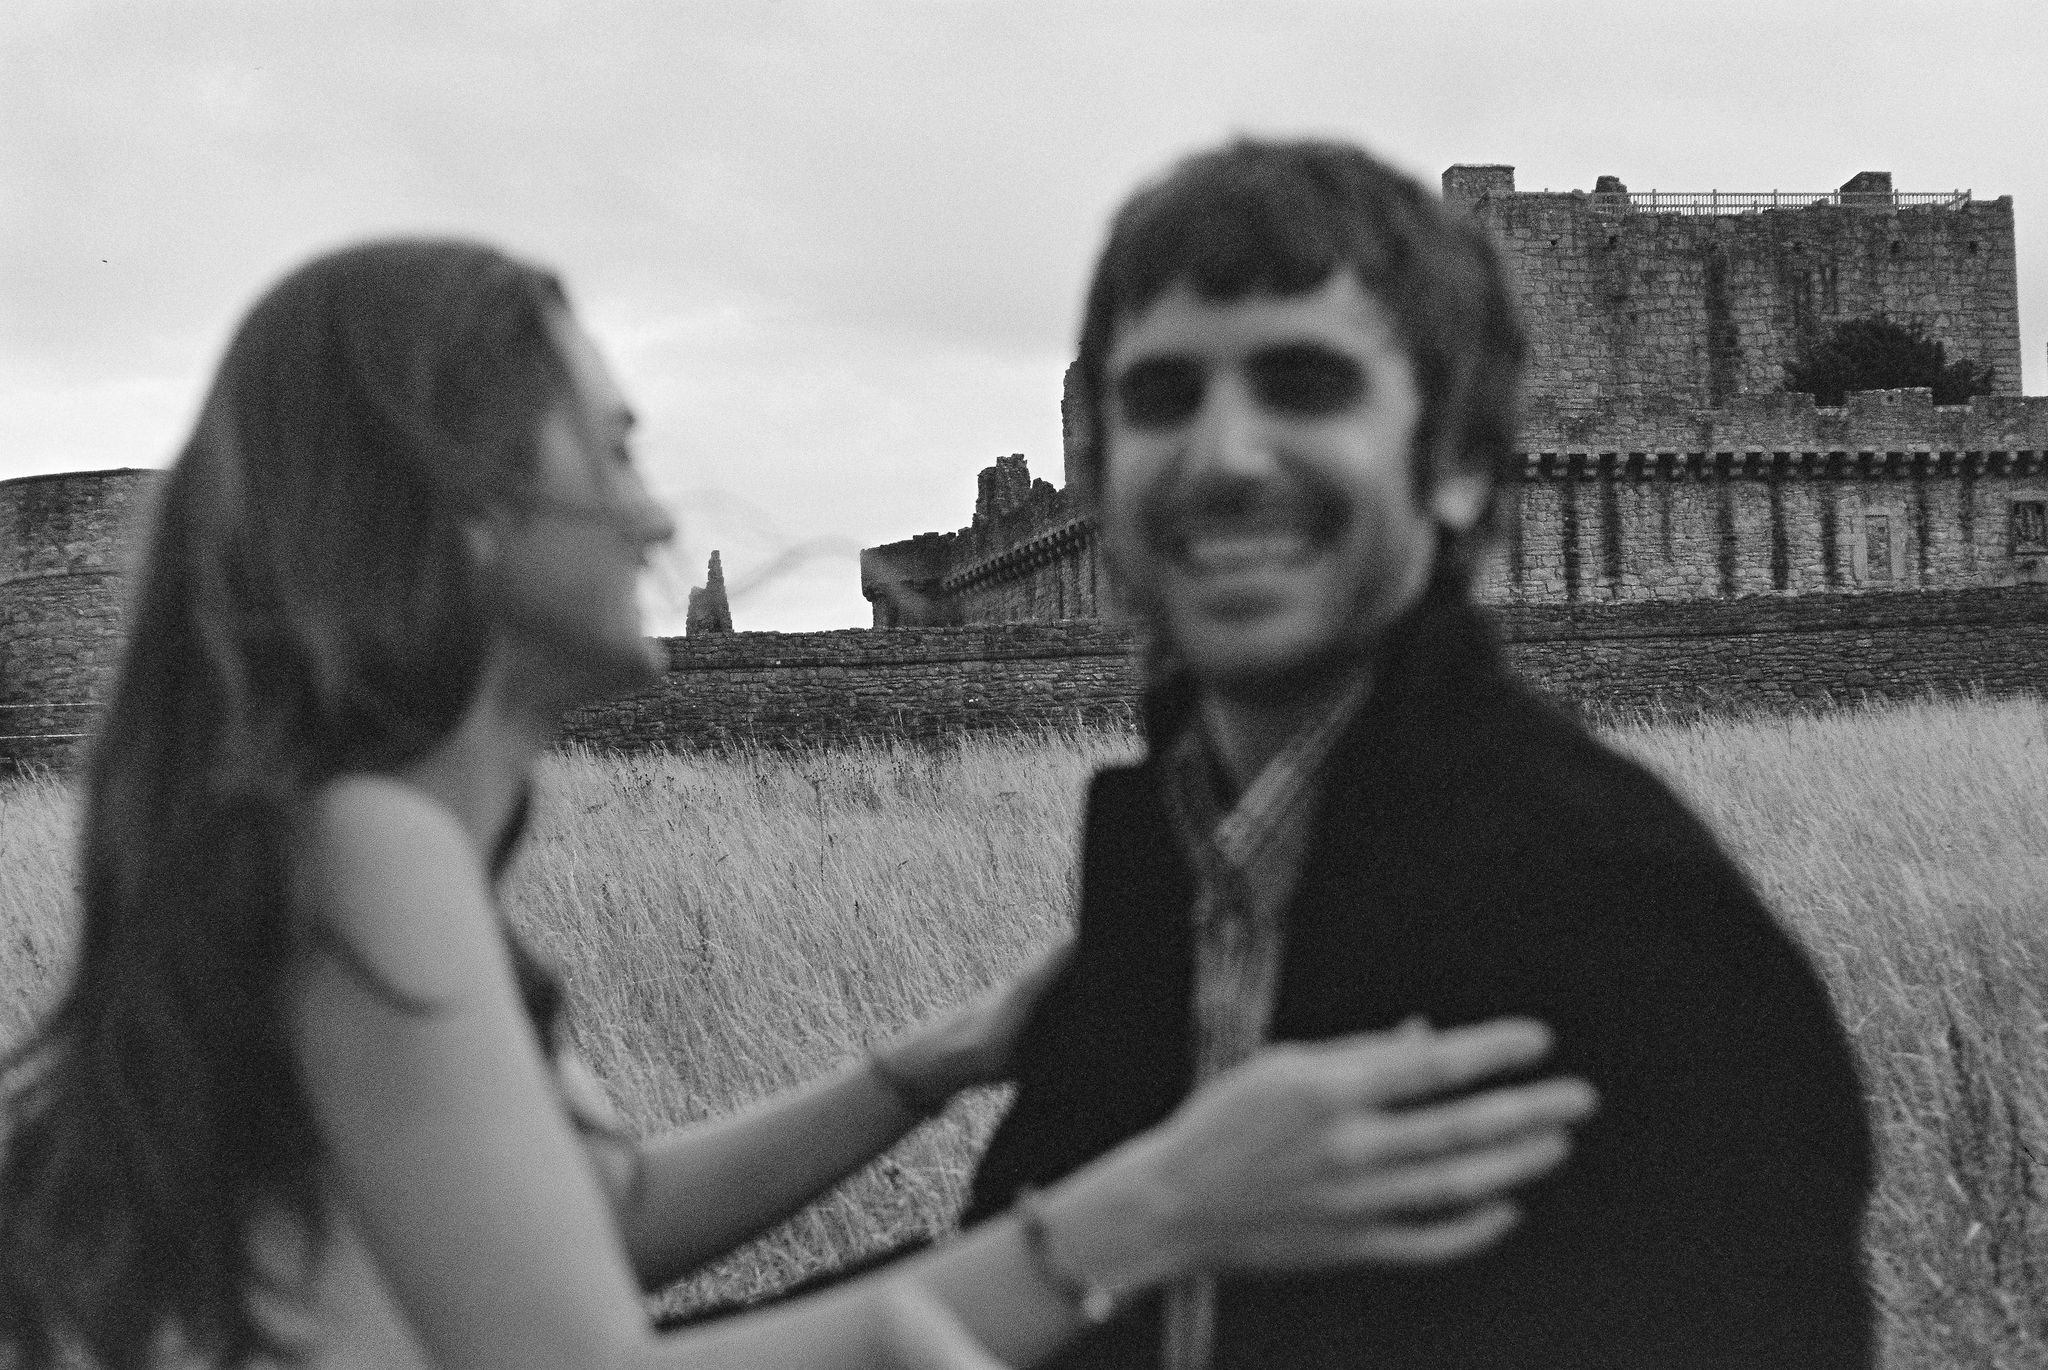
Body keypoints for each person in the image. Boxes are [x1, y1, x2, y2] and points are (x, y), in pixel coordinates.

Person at [0, 239, 1597, 1370]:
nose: (649, 510)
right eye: (615, 449)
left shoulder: (358, 831)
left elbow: (580, 1226)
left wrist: (925, 1066)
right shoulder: (368, 851)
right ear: (466, 509)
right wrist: (1163, 1204)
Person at [962, 138, 1876, 1368]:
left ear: (1453, 462)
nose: (1222, 455)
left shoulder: (1628, 918)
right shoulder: (1162, 864)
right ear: (1099, 468)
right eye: (1161, 396)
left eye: (1304, 384)